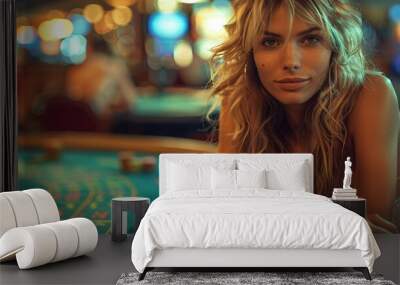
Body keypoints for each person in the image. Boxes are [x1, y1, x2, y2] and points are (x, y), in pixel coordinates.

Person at [211, 0, 399, 233]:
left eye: (310, 39)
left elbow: (372, 227)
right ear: (250, 52)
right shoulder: (239, 100)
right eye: (270, 42)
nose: (291, 62)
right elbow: (227, 215)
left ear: (334, 45)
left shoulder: (372, 94)